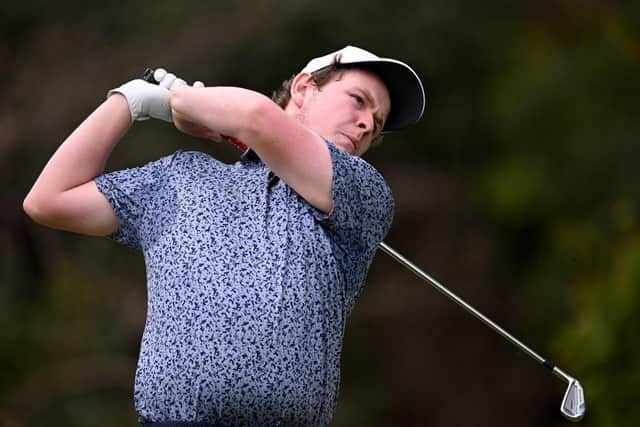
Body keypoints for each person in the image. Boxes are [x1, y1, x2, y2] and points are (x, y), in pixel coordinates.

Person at [23, 45, 426, 427]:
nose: (368, 123)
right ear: (305, 88)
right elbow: (48, 200)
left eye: (378, 123)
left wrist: (180, 101)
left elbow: (256, 116)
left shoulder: (363, 195)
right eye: (359, 100)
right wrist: (130, 102)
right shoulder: (182, 178)